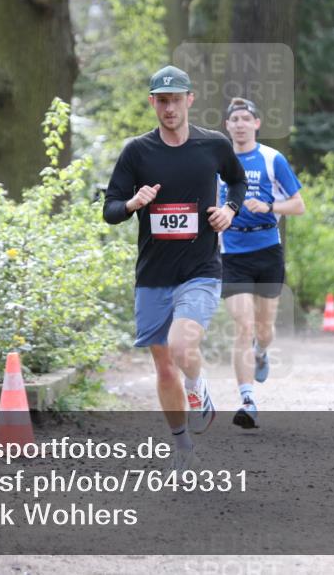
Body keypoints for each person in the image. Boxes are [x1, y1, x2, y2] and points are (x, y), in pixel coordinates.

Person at [103, 65, 247, 471]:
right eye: (162, 101)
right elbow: (110, 210)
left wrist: (230, 211)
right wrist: (133, 204)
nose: (169, 108)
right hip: (152, 275)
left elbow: (237, 183)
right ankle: (182, 447)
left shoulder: (213, 145)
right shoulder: (137, 151)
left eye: (176, 100)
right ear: (152, 103)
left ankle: (197, 386)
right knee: (164, 366)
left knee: (183, 347)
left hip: (200, 269)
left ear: (190, 99)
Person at [218, 97, 305, 429]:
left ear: (257, 123)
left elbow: (298, 205)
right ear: (227, 126)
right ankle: (247, 399)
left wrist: (269, 208)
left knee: (264, 330)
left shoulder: (272, 159)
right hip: (232, 253)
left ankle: (262, 352)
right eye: (234, 119)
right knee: (243, 325)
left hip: (267, 249)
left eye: (245, 118)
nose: (239, 124)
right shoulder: (217, 160)